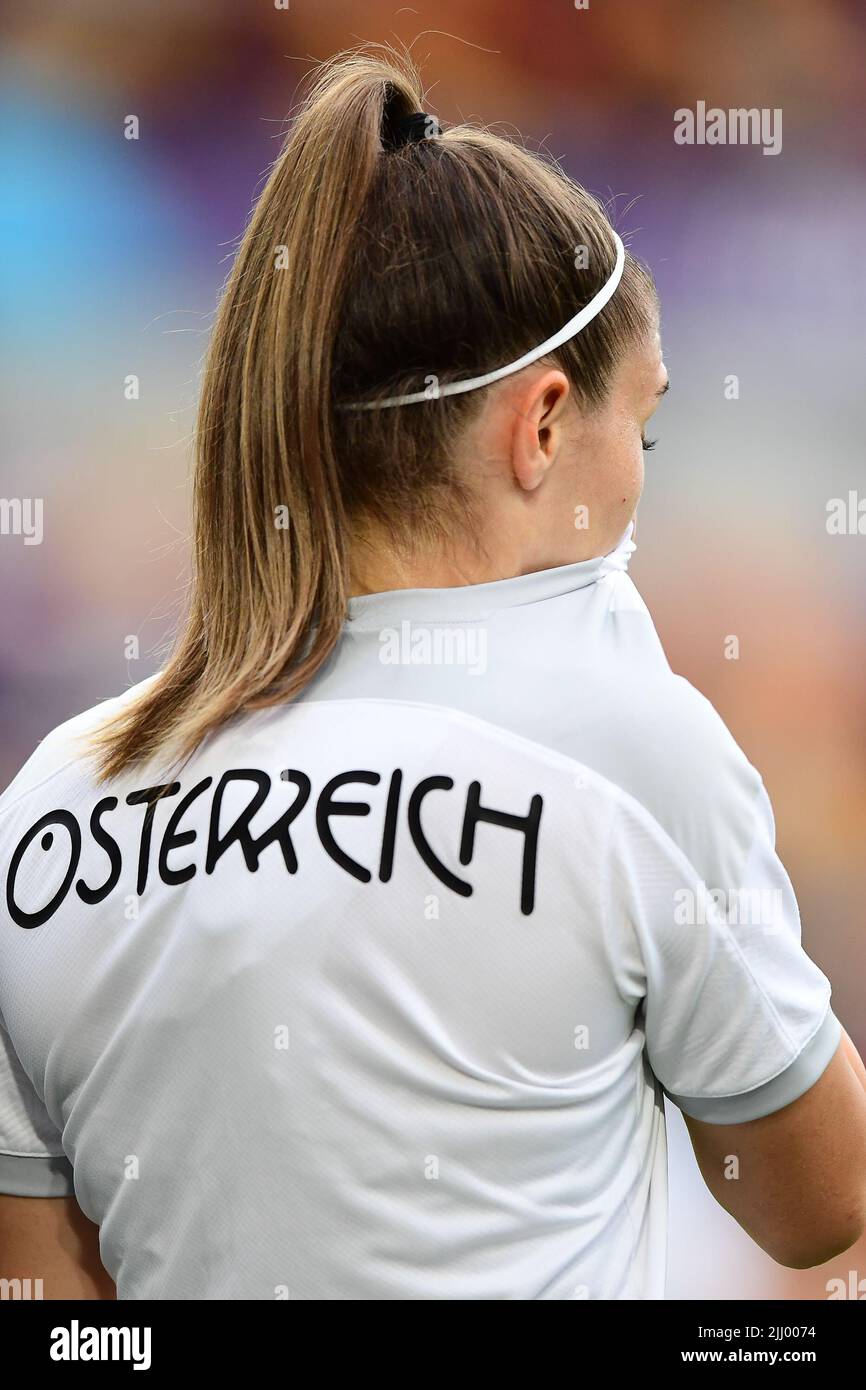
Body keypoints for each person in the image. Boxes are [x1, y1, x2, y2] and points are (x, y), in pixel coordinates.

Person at [1, 49, 865, 1302]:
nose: (644, 471)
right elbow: (816, 1203)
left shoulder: (54, 799)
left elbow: (51, 1310)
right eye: (647, 422)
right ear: (545, 424)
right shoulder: (625, 738)